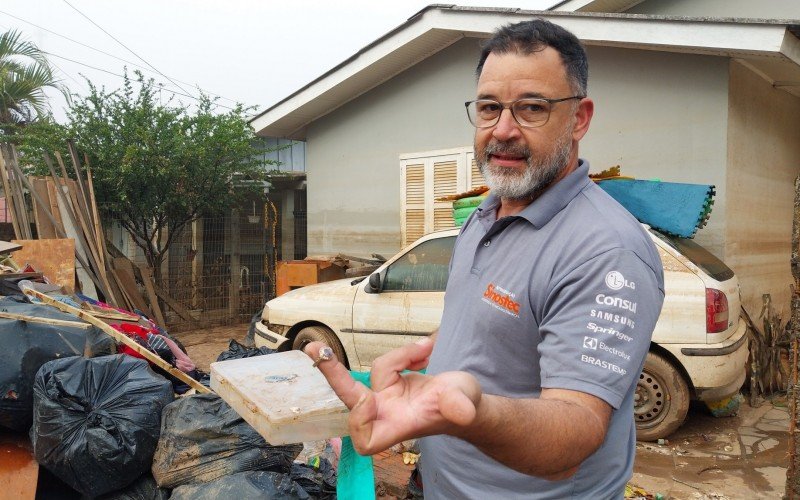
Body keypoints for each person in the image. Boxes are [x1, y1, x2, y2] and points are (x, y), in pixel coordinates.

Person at [305, 18, 665, 498]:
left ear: (579, 118)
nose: (504, 130)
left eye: (532, 108)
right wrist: (424, 365)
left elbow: (577, 426)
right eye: (490, 107)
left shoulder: (604, 251)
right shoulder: (485, 215)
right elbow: (494, 321)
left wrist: (468, 412)